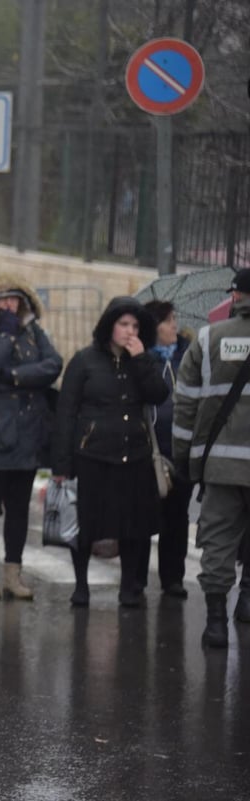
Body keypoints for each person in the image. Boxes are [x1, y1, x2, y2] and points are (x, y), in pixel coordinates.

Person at [53, 297, 169, 608]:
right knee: (86, 524)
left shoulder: (144, 360)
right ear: (110, 326)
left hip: (134, 455)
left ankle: (129, 587)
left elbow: (159, 394)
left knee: (133, 526)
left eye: (135, 325)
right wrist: (61, 462)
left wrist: (142, 360)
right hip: (92, 456)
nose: (129, 331)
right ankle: (81, 586)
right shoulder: (85, 360)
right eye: (123, 324)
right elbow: (65, 411)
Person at [0, 274, 62, 600]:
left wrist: (14, 376)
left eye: (14, 299)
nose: (9, 306)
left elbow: (53, 365)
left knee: (18, 507)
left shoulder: (33, 331)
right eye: (2, 300)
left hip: (25, 433)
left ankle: (13, 573)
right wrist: (5, 336)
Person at [172, 268, 250, 647]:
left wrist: (185, 459)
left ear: (235, 297)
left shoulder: (207, 338)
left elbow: (184, 406)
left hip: (220, 465)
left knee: (217, 540)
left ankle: (216, 623)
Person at [142, 300, 192, 599]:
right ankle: (135, 578)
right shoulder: (143, 360)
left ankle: (173, 577)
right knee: (147, 514)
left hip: (181, 449)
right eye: (167, 320)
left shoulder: (188, 356)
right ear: (154, 327)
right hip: (150, 449)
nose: (174, 325)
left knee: (178, 517)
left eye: (175, 318)